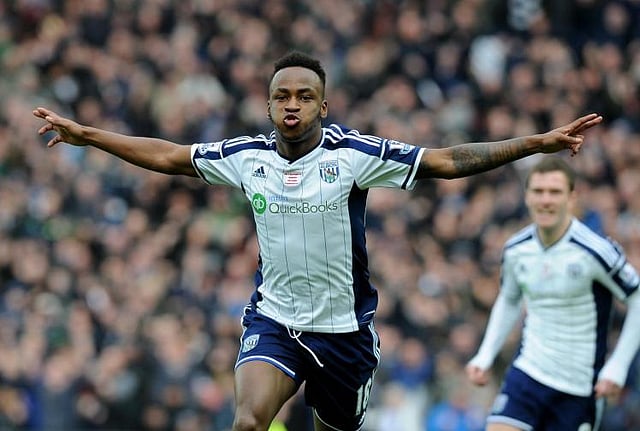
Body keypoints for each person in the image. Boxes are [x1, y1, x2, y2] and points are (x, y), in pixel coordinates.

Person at [34, 51, 603, 431]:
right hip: (276, 321)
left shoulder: (354, 155)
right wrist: (88, 135)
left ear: (323, 106)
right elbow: (169, 156)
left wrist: (535, 144)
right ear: (268, 104)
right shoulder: (245, 157)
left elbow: (447, 160)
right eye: (282, 95)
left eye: (305, 96)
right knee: (248, 421)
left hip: (344, 333)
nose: (292, 104)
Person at [465, 156, 640, 431]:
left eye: (555, 192)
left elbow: (637, 298)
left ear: (571, 198)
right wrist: (485, 354)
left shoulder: (595, 251)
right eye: (538, 191)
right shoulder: (516, 249)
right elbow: (509, 300)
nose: (545, 200)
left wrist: (618, 365)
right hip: (528, 374)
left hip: (578, 387)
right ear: (527, 196)